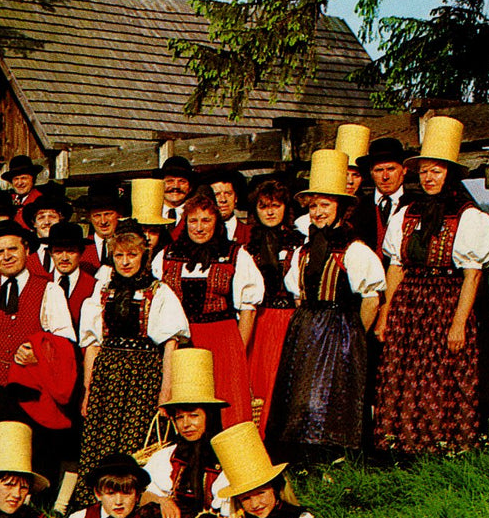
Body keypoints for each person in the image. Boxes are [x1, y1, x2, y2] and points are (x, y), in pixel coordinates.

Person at [374, 116, 489, 454]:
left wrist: (459, 323)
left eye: (437, 171)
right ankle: (400, 443)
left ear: (451, 174)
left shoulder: (468, 216)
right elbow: (397, 265)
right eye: (425, 171)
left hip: (446, 301)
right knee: (405, 371)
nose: (430, 178)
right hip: (409, 303)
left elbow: (472, 274)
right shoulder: (406, 213)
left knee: (441, 374)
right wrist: (387, 310)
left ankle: (441, 444)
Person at [269, 150, 386, 456]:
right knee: (301, 392)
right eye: (314, 205)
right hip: (307, 324)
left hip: (340, 326)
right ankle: (301, 456)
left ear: (341, 208)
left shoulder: (355, 250)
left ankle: (331, 457)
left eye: (326, 205)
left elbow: (371, 298)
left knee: (332, 393)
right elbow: (298, 292)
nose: (318, 212)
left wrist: (351, 332)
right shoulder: (304, 250)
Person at [73, 220, 189, 511]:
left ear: (143, 256)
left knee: (136, 443)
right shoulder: (102, 291)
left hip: (143, 377)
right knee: (100, 440)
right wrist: (88, 389)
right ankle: (94, 506)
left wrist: (166, 394)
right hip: (107, 376)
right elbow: (92, 345)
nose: (125, 262)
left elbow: (170, 345)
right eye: (119, 256)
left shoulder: (158, 292)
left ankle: (133, 506)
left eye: (132, 255)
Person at [0, 220, 76, 488]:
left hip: (30, 392)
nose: (6, 256)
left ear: (26, 250)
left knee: (33, 459)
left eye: (12, 249)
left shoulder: (49, 290)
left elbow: (67, 341)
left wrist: (40, 352)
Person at [155, 187, 265, 429]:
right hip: (181, 342)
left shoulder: (235, 254)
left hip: (222, 340)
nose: (199, 227)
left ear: (217, 221)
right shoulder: (168, 255)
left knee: (225, 406)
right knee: (185, 405)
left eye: (206, 220)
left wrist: (237, 352)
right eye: (193, 220)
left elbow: (248, 309)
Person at [242, 176, 305, 437]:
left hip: (291, 317)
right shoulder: (247, 247)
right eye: (263, 206)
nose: (270, 211)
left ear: (285, 208)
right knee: (259, 379)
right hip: (260, 319)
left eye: (276, 205)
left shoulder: (300, 242)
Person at [141, 348, 229, 518]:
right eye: (180, 418)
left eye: (194, 415)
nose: (186, 424)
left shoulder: (227, 459)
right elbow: (140, 493)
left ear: (209, 416)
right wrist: (162, 501)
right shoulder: (167, 456)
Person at [354, 136, 412, 256]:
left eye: (391, 169)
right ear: (371, 172)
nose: (385, 176)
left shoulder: (416, 204)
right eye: (379, 170)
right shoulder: (358, 207)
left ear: (404, 170)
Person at [78, 178, 125, 274]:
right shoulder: (80, 248)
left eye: (108, 214)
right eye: (97, 216)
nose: (103, 221)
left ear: (119, 214)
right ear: (89, 217)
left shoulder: (127, 245)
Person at [23, 191, 71, 275]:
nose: (47, 222)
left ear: (61, 220)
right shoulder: (25, 252)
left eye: (52, 217)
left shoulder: (71, 251)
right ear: (34, 223)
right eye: (41, 217)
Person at [157, 155, 194, 245]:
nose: (175, 186)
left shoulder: (194, 214)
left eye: (182, 181)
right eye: (170, 181)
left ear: (190, 187)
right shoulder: (150, 212)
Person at [2, 153, 45, 224]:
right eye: (16, 179)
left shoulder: (39, 202)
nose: (20, 183)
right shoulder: (9, 200)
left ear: (33, 179)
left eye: (24, 178)